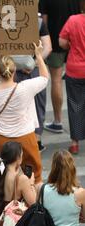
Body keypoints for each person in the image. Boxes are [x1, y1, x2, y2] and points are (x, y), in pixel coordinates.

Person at [0, 42, 49, 185]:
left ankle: (1, 203)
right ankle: (32, 202)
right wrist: (38, 55)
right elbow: (44, 77)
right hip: (25, 137)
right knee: (34, 174)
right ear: (14, 72)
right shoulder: (26, 88)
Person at [40, 0, 80, 134]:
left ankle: (58, 122)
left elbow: (43, 23)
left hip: (55, 42)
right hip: (75, 42)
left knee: (56, 80)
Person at [14, 16, 52, 153]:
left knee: (18, 105)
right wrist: (35, 62)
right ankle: (36, 141)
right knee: (38, 105)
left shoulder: (5, 20)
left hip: (14, 71)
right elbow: (48, 46)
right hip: (34, 70)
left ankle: (23, 141)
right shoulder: (38, 21)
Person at [59, 2, 85, 155]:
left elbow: (61, 42)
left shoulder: (73, 20)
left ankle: (75, 143)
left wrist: (71, 45)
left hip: (75, 70)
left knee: (76, 105)